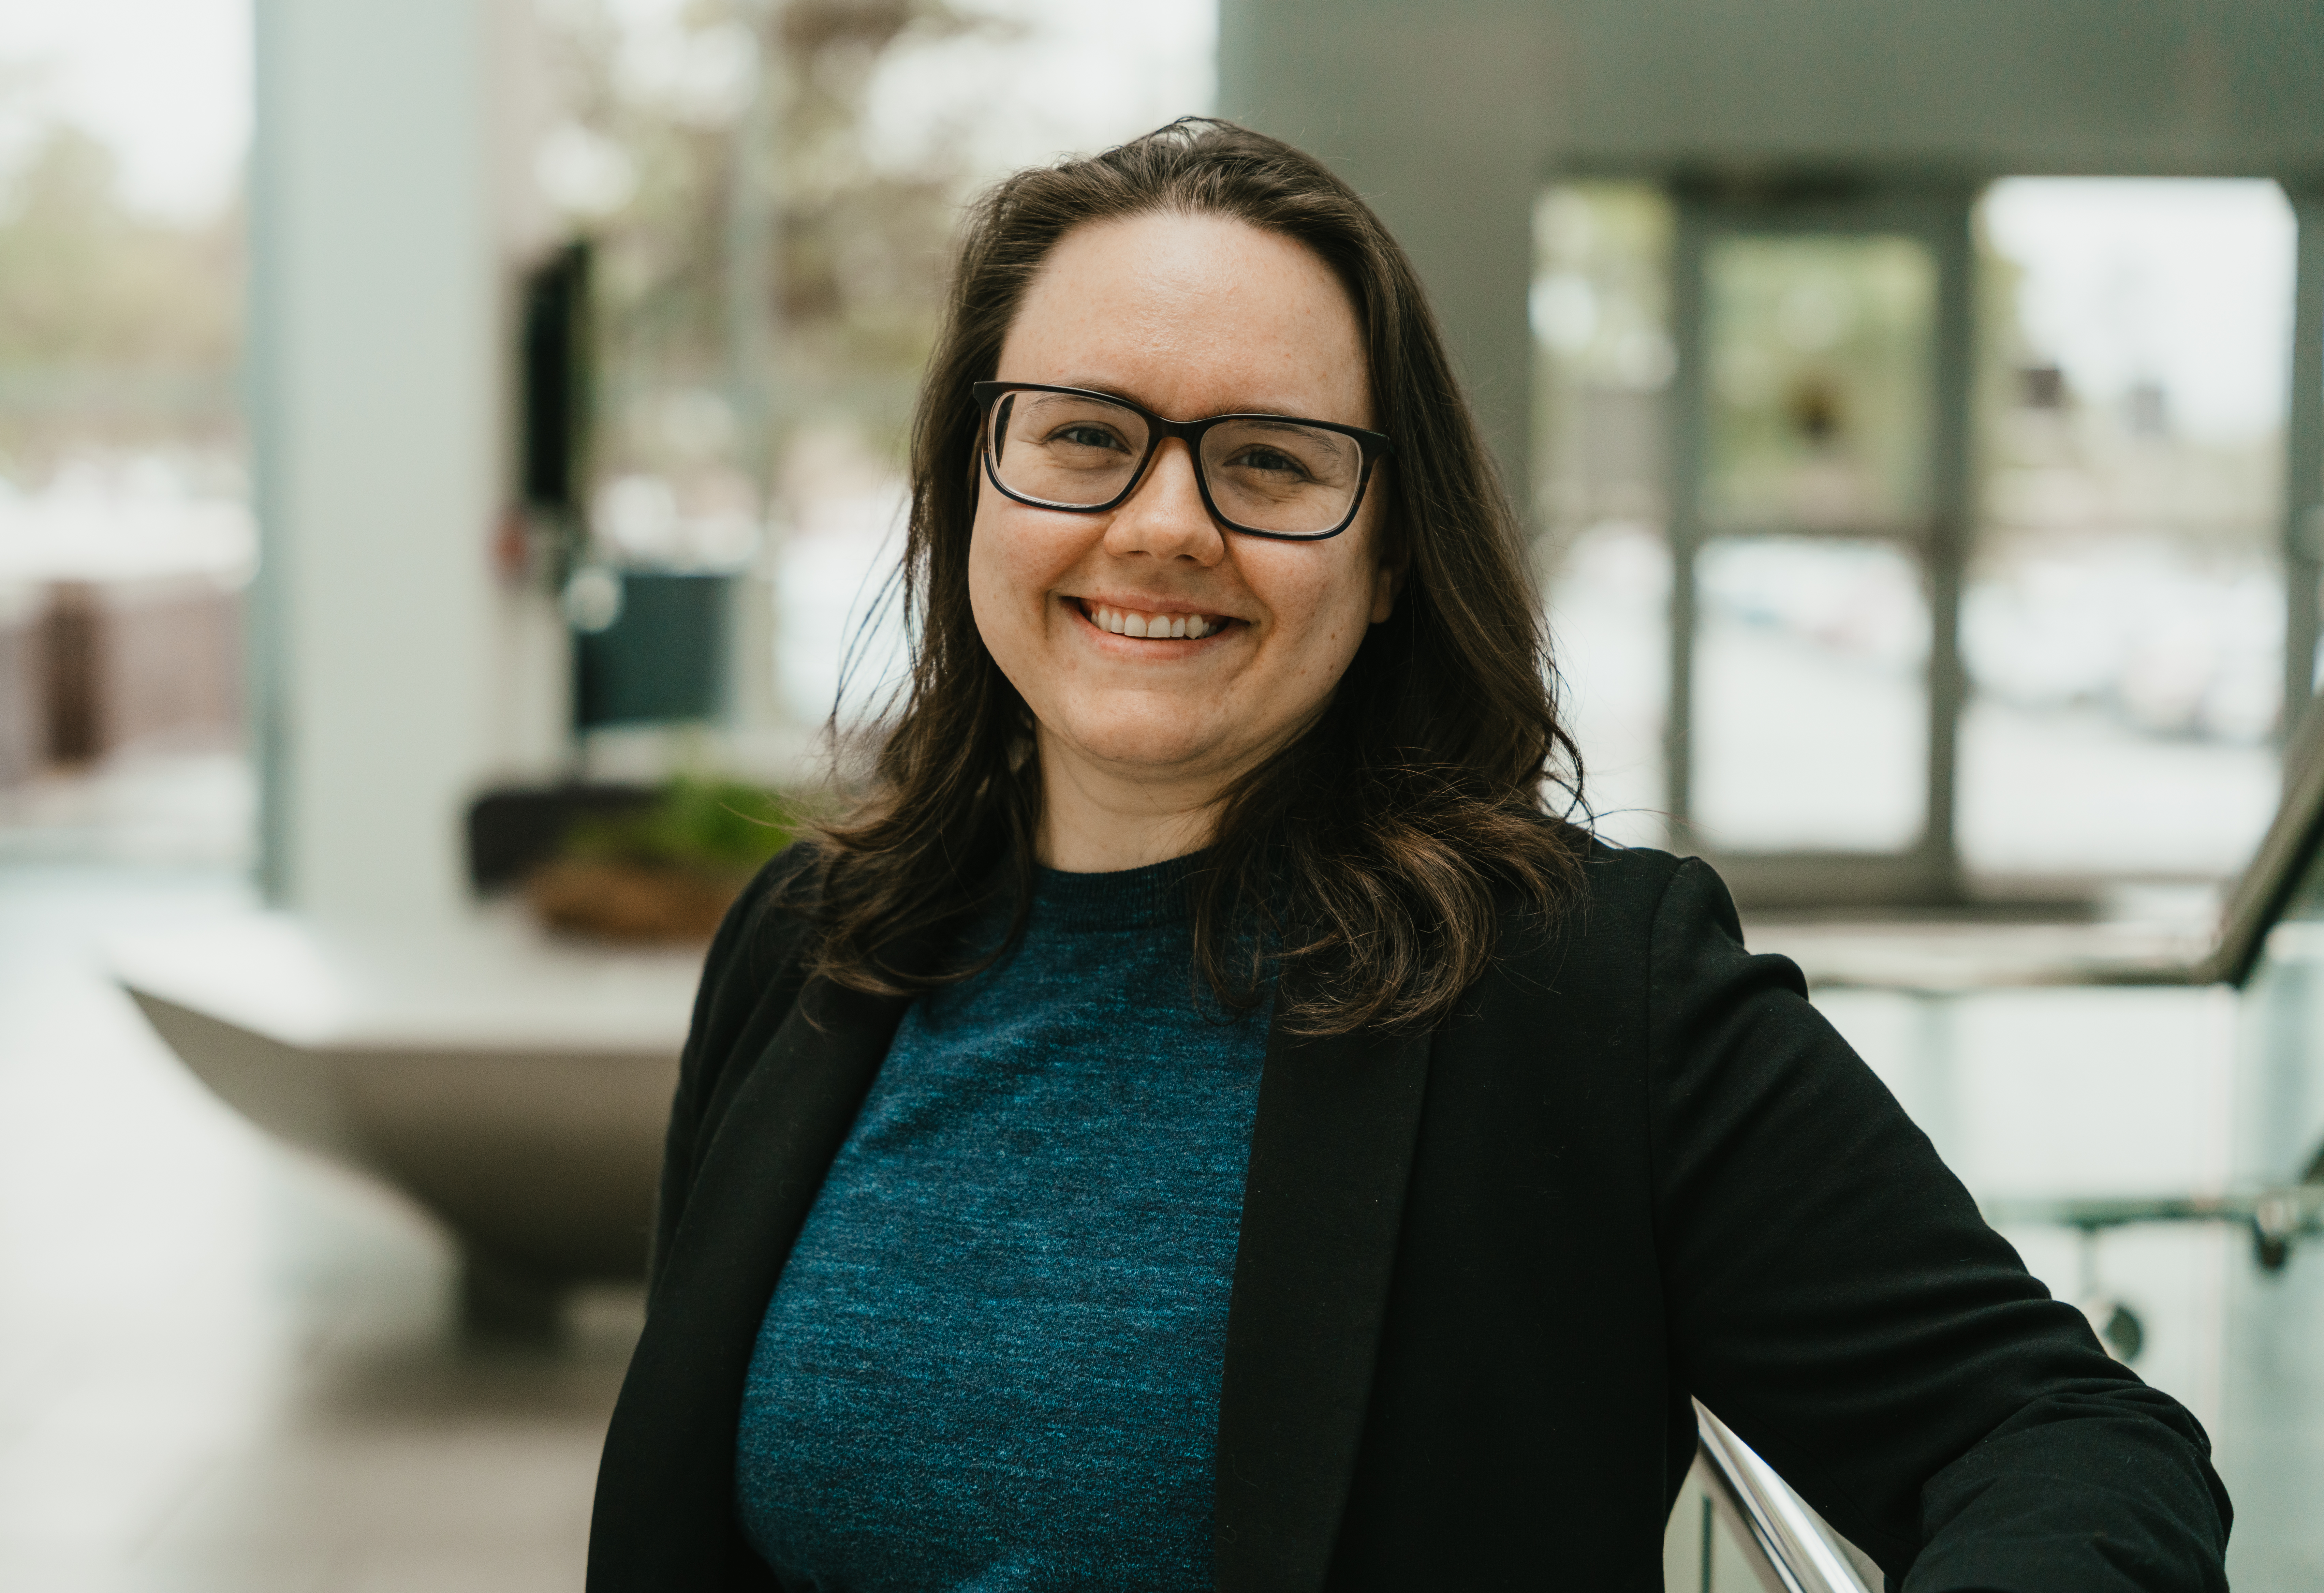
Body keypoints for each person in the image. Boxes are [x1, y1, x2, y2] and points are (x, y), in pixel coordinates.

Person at [587, 119, 2229, 1592]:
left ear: (1385, 565)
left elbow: (2068, 1440)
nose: (1162, 523)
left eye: (1271, 461)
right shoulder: (811, 942)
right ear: (971, 494)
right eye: (1086, 435)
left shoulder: (1592, 988)